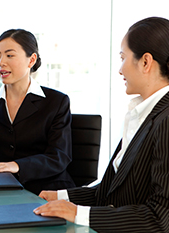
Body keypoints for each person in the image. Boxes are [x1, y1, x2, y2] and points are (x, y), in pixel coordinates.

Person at [34, 17, 169, 233]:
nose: (120, 70)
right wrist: (60, 197)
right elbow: (110, 192)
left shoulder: (166, 120)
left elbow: (160, 218)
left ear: (145, 62)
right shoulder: (143, 114)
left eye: (123, 58)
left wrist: (78, 213)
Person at [0, 29, 75, 195]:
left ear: (31, 60)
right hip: (5, 192)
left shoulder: (56, 102)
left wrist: (16, 166)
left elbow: (59, 157)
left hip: (50, 190)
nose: (1, 62)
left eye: (9, 55)